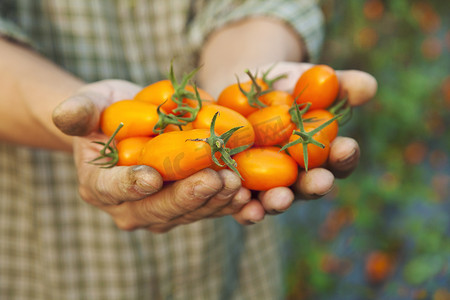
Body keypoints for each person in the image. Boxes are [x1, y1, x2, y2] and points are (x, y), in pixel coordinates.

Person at [0, 1, 377, 299]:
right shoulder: (186, 126)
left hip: (229, 260)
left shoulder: (218, 126)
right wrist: (66, 114)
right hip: (51, 260)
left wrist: (243, 72)